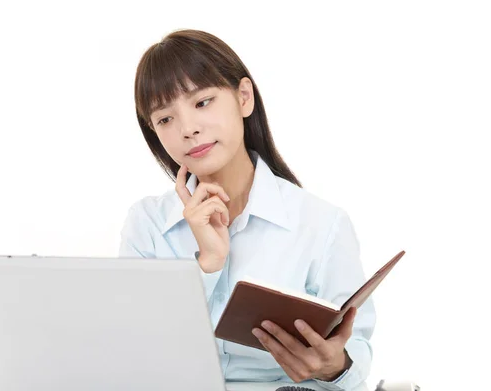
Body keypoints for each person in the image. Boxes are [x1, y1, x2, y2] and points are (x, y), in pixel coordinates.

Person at [118, 29, 375, 391]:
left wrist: (334, 366)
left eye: (202, 102)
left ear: (243, 97)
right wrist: (207, 264)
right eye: (165, 119)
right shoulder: (147, 224)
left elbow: (356, 356)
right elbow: (133, 355)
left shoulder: (321, 224)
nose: (188, 129)